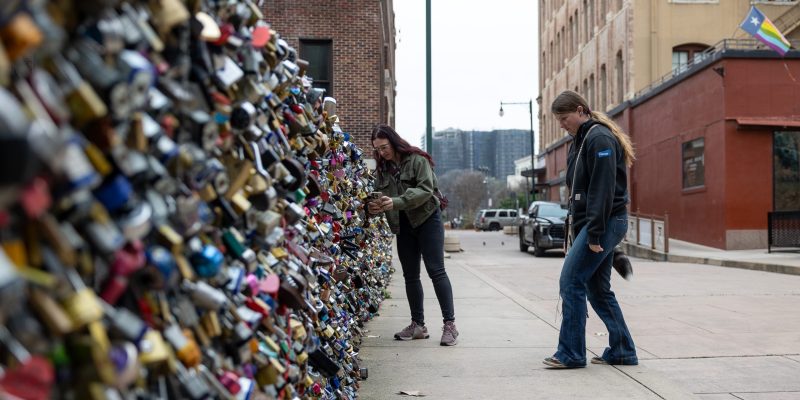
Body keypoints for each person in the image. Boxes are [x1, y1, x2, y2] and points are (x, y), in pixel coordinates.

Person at [543, 90, 638, 369]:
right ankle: (623, 350)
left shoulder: (599, 138)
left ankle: (571, 353)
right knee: (598, 289)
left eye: (564, 117)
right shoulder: (580, 141)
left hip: (606, 222)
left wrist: (595, 234)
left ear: (581, 110)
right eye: (558, 120)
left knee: (571, 281)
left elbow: (603, 191)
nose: (562, 124)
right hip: (599, 223)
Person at [368, 124, 458, 346]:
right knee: (410, 276)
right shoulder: (382, 169)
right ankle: (418, 325)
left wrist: (395, 202)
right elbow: (376, 195)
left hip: (428, 219)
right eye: (377, 149)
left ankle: (450, 326)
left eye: (384, 147)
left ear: (394, 141)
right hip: (403, 225)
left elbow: (425, 189)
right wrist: (372, 207)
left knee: (436, 271)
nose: (382, 153)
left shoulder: (417, 160)